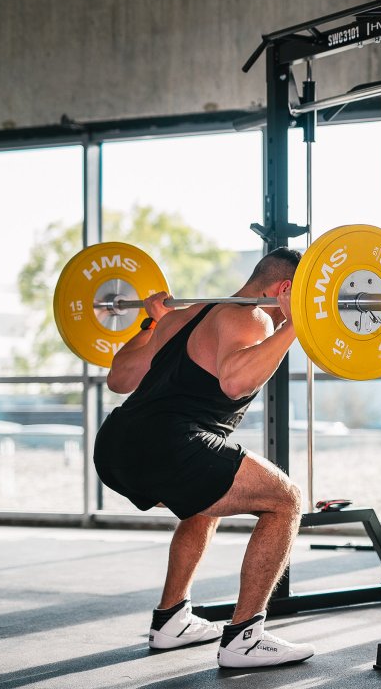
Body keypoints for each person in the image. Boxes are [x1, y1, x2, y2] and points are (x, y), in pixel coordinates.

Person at [93, 247, 314, 669]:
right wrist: (294, 326)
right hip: (169, 444)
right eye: (304, 298)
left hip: (116, 445)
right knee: (285, 500)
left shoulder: (180, 317)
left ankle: (171, 618)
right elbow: (234, 381)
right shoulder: (253, 318)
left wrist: (151, 324)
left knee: (204, 500)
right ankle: (244, 638)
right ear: (285, 289)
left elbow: (119, 379)